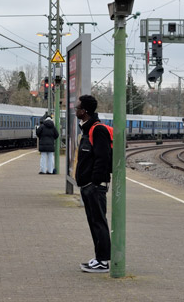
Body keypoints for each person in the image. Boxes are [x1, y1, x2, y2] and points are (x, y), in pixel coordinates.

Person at [74, 94, 113, 273]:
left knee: (99, 222)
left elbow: (102, 158)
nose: (76, 110)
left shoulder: (97, 130)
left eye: (78, 108)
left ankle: (103, 261)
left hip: (94, 186)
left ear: (85, 111)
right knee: (93, 222)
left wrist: (94, 181)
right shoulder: (86, 129)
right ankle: (99, 258)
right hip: (88, 186)